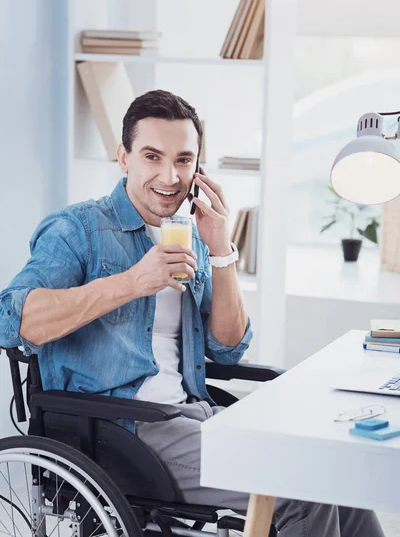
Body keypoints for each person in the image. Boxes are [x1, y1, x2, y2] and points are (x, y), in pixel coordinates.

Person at [0, 90, 385, 537]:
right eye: (152, 156)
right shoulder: (78, 230)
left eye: (184, 160)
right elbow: (13, 320)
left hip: (192, 416)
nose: (170, 176)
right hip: (118, 432)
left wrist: (221, 250)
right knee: (297, 487)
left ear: (199, 168)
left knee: (332, 477)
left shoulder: (191, 236)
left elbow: (227, 347)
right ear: (123, 158)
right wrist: (132, 282)